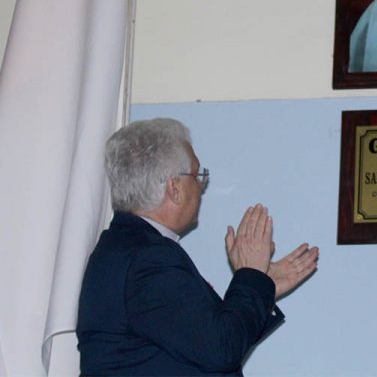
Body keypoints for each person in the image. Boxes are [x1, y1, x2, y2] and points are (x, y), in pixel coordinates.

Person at [77, 118, 319, 375]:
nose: (201, 185)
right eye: (197, 174)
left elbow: (204, 345)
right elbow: (221, 349)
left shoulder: (129, 249)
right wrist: (251, 277)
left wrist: (261, 287)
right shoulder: (149, 260)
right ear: (175, 188)